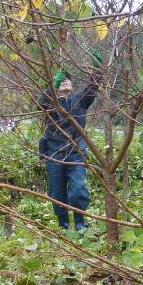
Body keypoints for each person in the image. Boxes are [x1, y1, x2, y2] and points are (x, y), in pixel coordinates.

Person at [39, 69, 99, 231]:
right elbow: (41, 102)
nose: (65, 80)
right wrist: (52, 85)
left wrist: (97, 70)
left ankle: (80, 224)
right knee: (57, 193)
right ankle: (63, 226)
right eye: (61, 80)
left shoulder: (80, 100)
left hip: (76, 154)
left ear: (72, 86)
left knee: (78, 188)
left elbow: (92, 87)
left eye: (67, 79)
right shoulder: (50, 103)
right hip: (54, 154)